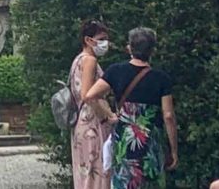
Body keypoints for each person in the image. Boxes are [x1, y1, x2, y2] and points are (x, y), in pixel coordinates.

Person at [84, 27, 178, 188]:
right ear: (152, 50)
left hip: (124, 142)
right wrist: (174, 150)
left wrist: (107, 115)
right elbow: (168, 115)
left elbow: (90, 95)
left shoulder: (116, 71)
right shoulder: (162, 79)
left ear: (129, 48)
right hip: (150, 143)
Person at [70, 20, 114, 189]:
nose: (105, 43)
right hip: (93, 122)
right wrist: (107, 115)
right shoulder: (89, 60)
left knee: (85, 172)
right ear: (88, 40)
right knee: (97, 171)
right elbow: (88, 95)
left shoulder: (78, 60)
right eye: (101, 38)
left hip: (82, 121)